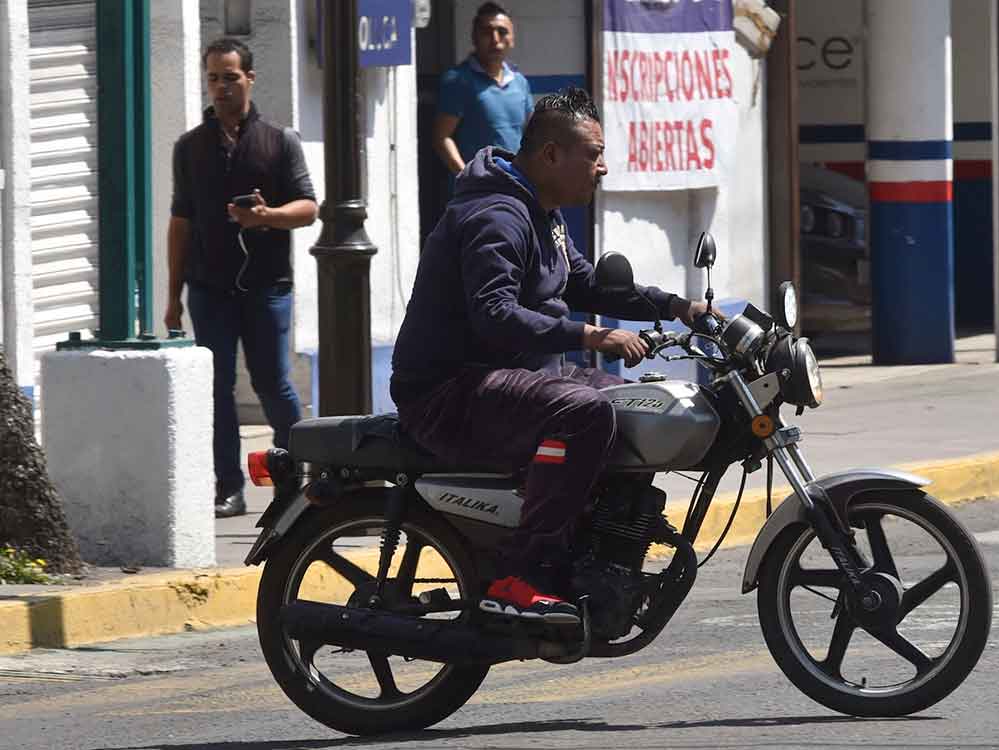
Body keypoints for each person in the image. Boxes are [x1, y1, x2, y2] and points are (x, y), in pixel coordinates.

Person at [390, 88, 712, 625]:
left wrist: (680, 307)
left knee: (641, 405)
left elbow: (586, 285)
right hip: (449, 390)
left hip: (510, 379)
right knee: (584, 413)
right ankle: (524, 576)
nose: (603, 167)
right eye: (593, 154)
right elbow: (493, 314)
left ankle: (595, 550)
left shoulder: (544, 213)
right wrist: (592, 337)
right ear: (551, 155)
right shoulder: (497, 216)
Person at [164, 38, 318, 518]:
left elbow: (309, 208)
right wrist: (173, 296)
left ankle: (298, 480)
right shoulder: (190, 148)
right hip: (209, 287)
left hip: (267, 286)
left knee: (273, 383)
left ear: (249, 78)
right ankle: (228, 487)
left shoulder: (278, 141)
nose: (221, 87)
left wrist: (267, 216)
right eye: (213, 77)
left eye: (230, 77)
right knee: (217, 388)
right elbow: (181, 222)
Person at [432, 2, 533, 179]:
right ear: (474, 37)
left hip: (515, 186)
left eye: (502, 32)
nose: (495, 39)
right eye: (487, 32)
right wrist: (466, 177)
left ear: (512, 38)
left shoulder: (519, 82)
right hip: (476, 194)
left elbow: (531, 134)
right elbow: (442, 138)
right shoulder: (458, 80)